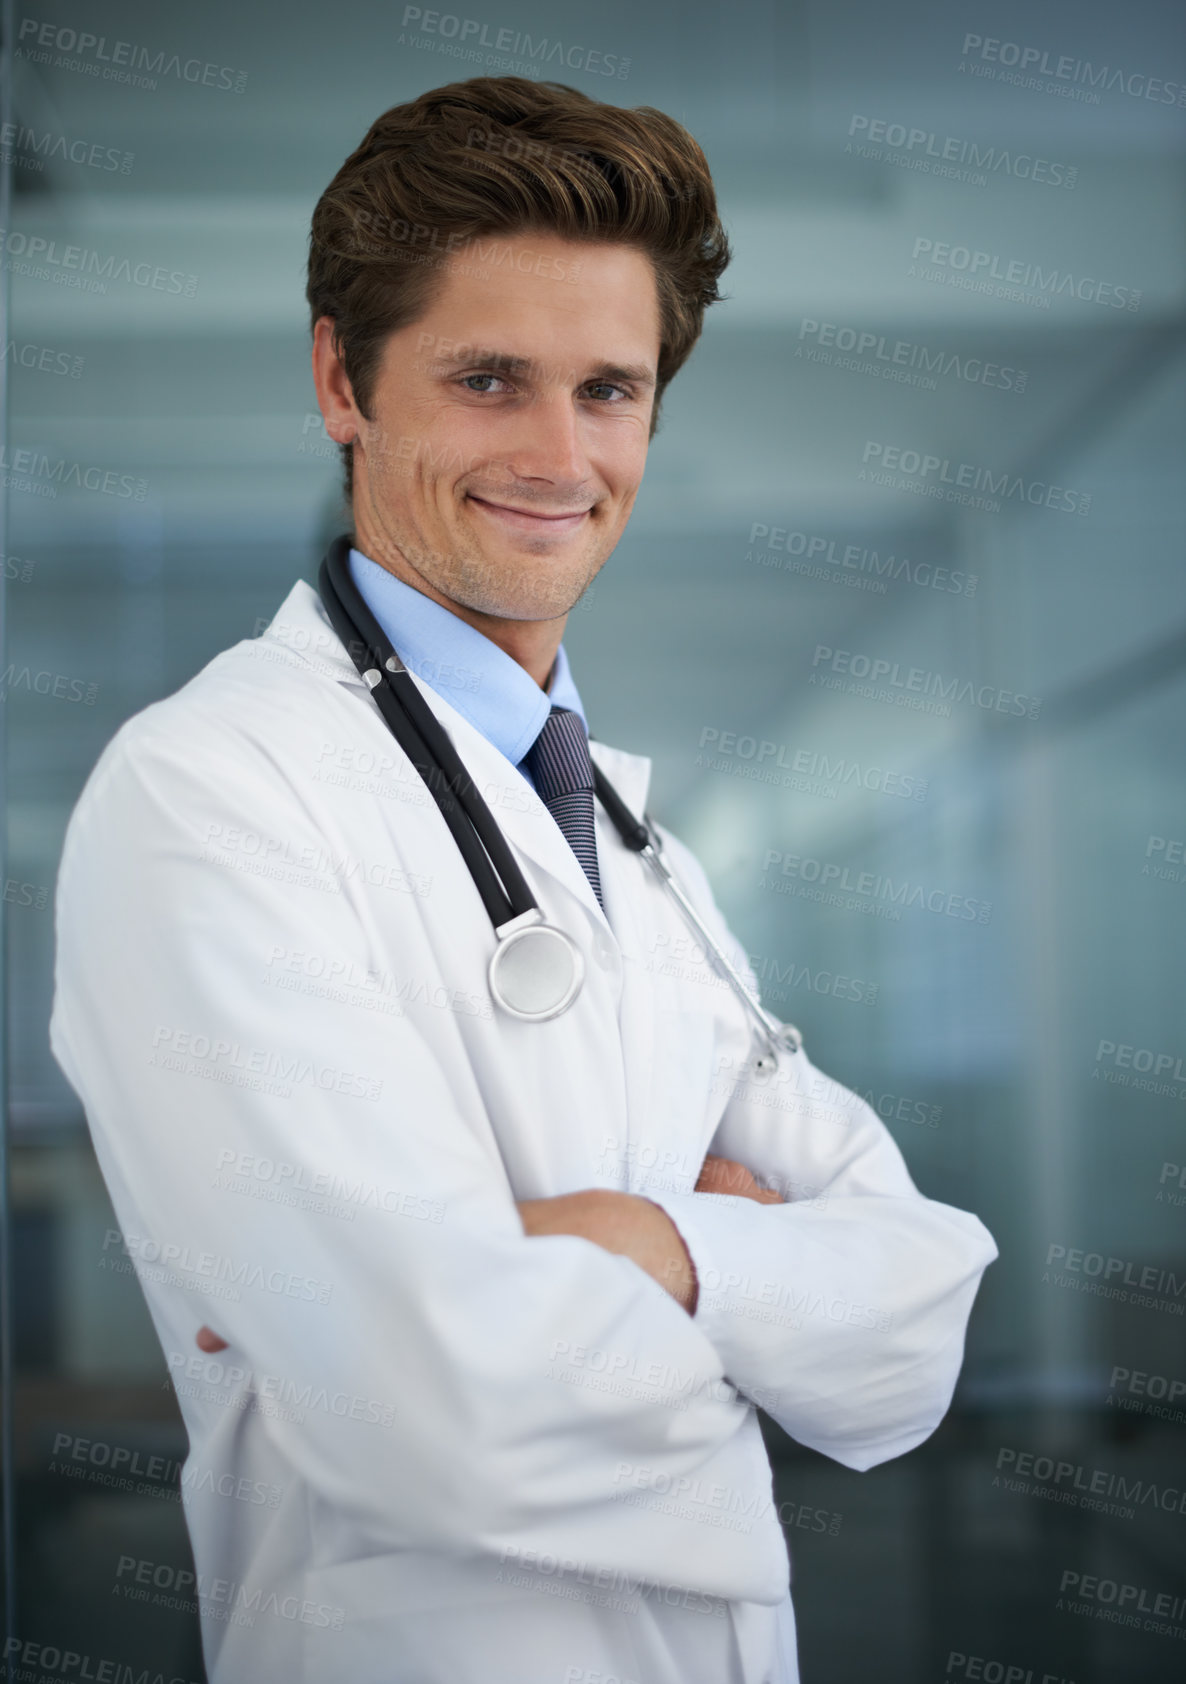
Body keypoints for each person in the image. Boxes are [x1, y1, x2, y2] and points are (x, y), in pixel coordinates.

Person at [50, 76, 997, 1684]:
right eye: (488, 380)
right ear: (342, 379)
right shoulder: (209, 791)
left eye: (608, 390)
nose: (560, 455)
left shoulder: (635, 849)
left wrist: (639, 1242)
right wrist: (765, 1310)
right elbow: (430, 1394)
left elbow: (916, 1324)